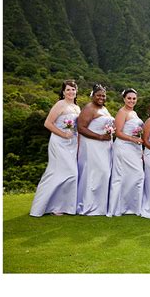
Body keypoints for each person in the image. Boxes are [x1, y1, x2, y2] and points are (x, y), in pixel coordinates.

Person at [30, 80, 81, 217]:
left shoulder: (77, 107)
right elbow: (48, 123)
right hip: (59, 142)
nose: (71, 92)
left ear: (76, 91)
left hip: (72, 143)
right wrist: (64, 134)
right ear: (63, 92)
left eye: (73, 89)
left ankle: (62, 206)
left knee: (69, 174)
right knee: (64, 172)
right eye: (68, 89)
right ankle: (51, 206)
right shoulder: (60, 104)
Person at [77, 84, 114, 215]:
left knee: (104, 173)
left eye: (103, 95)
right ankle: (89, 205)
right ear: (92, 95)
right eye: (98, 95)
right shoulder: (89, 108)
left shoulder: (104, 108)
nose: (101, 97)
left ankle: (101, 205)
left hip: (105, 147)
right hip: (92, 146)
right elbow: (81, 128)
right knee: (95, 173)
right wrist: (99, 136)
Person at [107, 88, 144, 217]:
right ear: (124, 99)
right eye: (129, 98)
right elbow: (118, 133)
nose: (131, 101)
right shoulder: (122, 112)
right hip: (123, 147)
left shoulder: (134, 112)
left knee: (135, 176)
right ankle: (118, 207)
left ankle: (132, 206)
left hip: (134, 148)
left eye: (134, 98)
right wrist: (133, 138)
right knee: (125, 176)